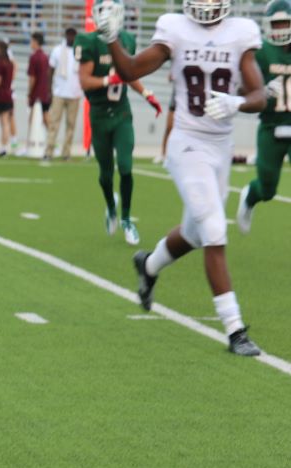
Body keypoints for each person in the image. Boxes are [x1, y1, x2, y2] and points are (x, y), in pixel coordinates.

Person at [96, 0, 265, 355]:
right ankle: (235, 329)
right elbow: (129, 70)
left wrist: (237, 103)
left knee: (195, 233)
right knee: (215, 229)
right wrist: (111, 38)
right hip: (187, 142)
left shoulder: (240, 33)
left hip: (220, 147)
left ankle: (149, 264)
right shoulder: (175, 28)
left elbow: (259, 95)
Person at [75, 6, 161, 245]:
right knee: (105, 174)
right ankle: (111, 208)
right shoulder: (88, 41)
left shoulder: (126, 40)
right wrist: (107, 79)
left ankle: (126, 219)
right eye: (105, 12)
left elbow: (129, 74)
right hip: (100, 115)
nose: (109, 18)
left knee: (125, 166)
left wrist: (147, 94)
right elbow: (84, 81)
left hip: (122, 113)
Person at [237, 0, 291, 234]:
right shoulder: (262, 53)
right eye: (276, 24)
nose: (280, 29)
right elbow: (242, 89)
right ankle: (250, 196)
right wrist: (263, 90)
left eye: (285, 23)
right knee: (268, 189)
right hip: (271, 126)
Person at [46, 28, 82, 160]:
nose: (71, 37)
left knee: (71, 125)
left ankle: (66, 153)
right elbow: (50, 70)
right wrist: (49, 90)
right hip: (59, 92)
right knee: (54, 123)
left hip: (75, 93)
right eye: (69, 34)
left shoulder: (79, 51)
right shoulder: (57, 50)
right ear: (66, 35)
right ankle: (48, 151)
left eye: (73, 35)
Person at [0, 39, 16, 156]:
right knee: (6, 122)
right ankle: (4, 146)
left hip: (0, 94)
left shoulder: (0, 63)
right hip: (8, 93)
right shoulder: (10, 63)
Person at [27, 32, 51, 133]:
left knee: (33, 118)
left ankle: (31, 143)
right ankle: (52, 141)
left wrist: (29, 93)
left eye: (31, 41)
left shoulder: (34, 57)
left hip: (37, 93)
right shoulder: (46, 57)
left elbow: (32, 78)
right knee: (46, 116)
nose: (30, 43)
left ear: (35, 42)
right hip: (45, 92)